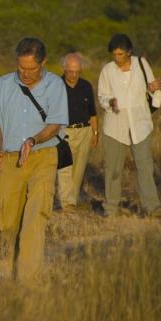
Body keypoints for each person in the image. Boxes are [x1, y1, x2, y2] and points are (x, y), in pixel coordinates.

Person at [0, 37, 68, 283]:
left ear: (43, 63)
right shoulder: (2, 85)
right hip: (10, 159)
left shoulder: (55, 85)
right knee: (7, 223)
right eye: (21, 68)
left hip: (44, 155)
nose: (26, 73)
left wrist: (32, 140)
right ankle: (12, 272)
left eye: (31, 68)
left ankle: (28, 282)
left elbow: (55, 124)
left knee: (35, 216)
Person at [97, 33, 161, 218]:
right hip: (115, 125)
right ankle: (110, 208)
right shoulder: (107, 70)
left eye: (120, 54)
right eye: (114, 55)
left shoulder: (141, 64)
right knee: (113, 168)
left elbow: (151, 88)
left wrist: (151, 89)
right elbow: (102, 95)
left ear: (128, 52)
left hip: (140, 124)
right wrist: (110, 102)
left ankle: (151, 207)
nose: (117, 58)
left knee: (144, 165)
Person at [56, 53, 98, 213]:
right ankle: (66, 203)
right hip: (64, 130)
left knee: (79, 168)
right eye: (70, 71)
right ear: (64, 69)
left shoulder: (86, 86)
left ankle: (71, 201)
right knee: (65, 167)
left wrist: (95, 133)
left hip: (84, 131)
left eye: (77, 72)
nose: (74, 75)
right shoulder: (56, 86)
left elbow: (92, 113)